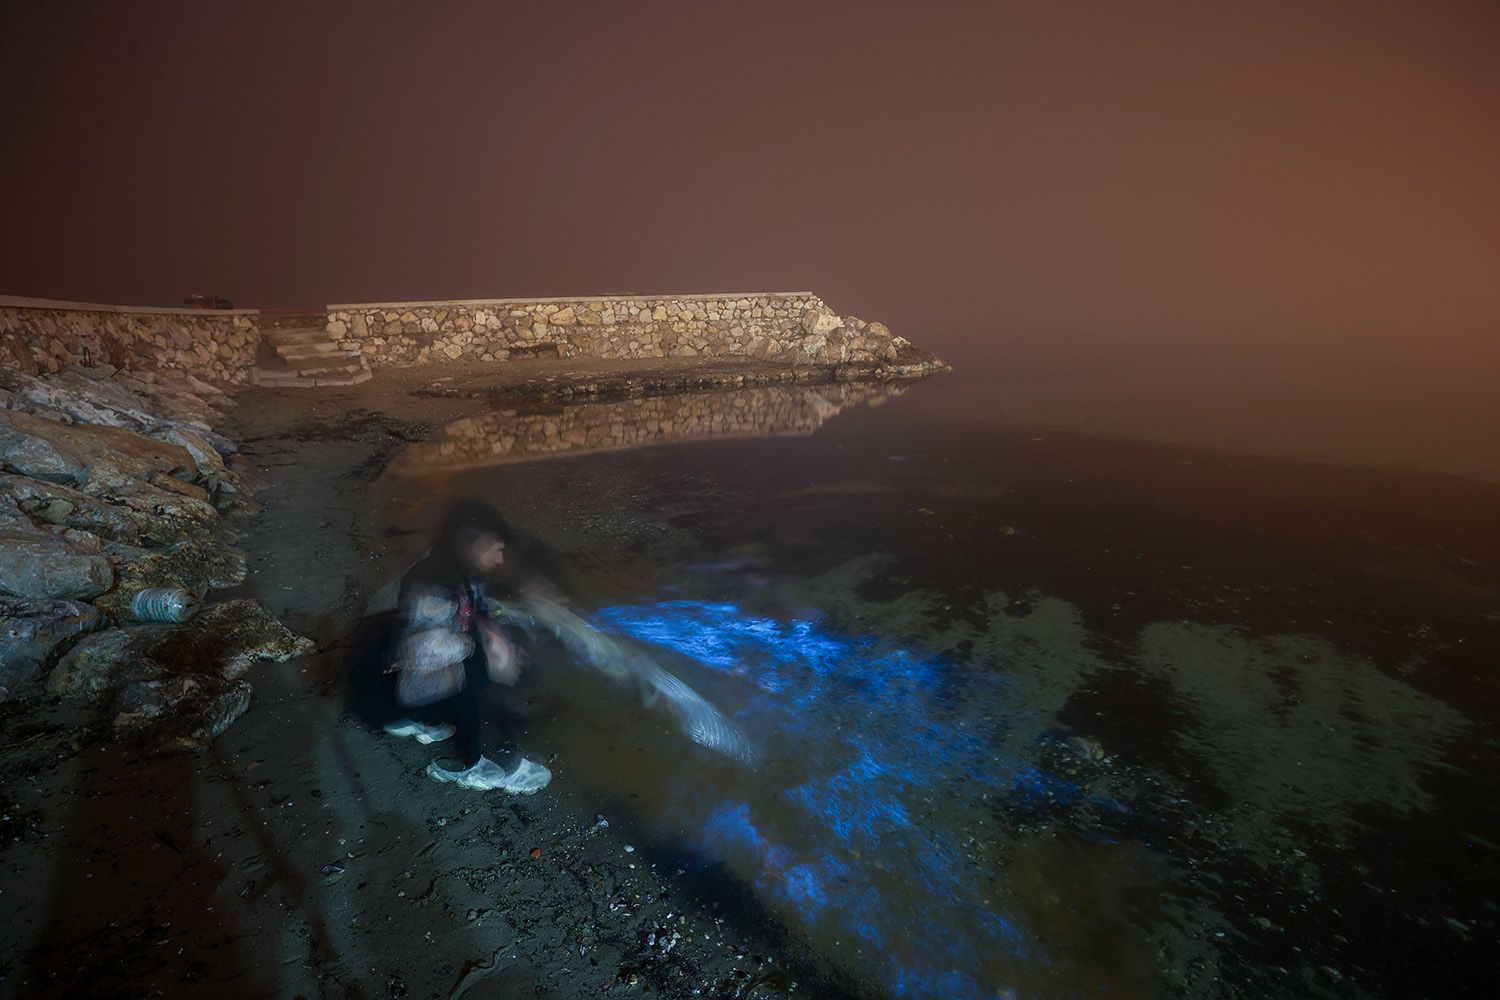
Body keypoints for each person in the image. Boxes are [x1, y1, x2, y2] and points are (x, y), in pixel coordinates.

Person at [382, 500, 552, 793]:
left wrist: (506, 624)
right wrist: (483, 647)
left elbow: (478, 611)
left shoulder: (464, 571)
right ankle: (485, 765)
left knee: (510, 656)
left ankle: (436, 720)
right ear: (470, 544)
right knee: (486, 674)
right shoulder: (431, 584)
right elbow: (422, 652)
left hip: (441, 668)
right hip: (420, 680)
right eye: (495, 549)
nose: (499, 560)